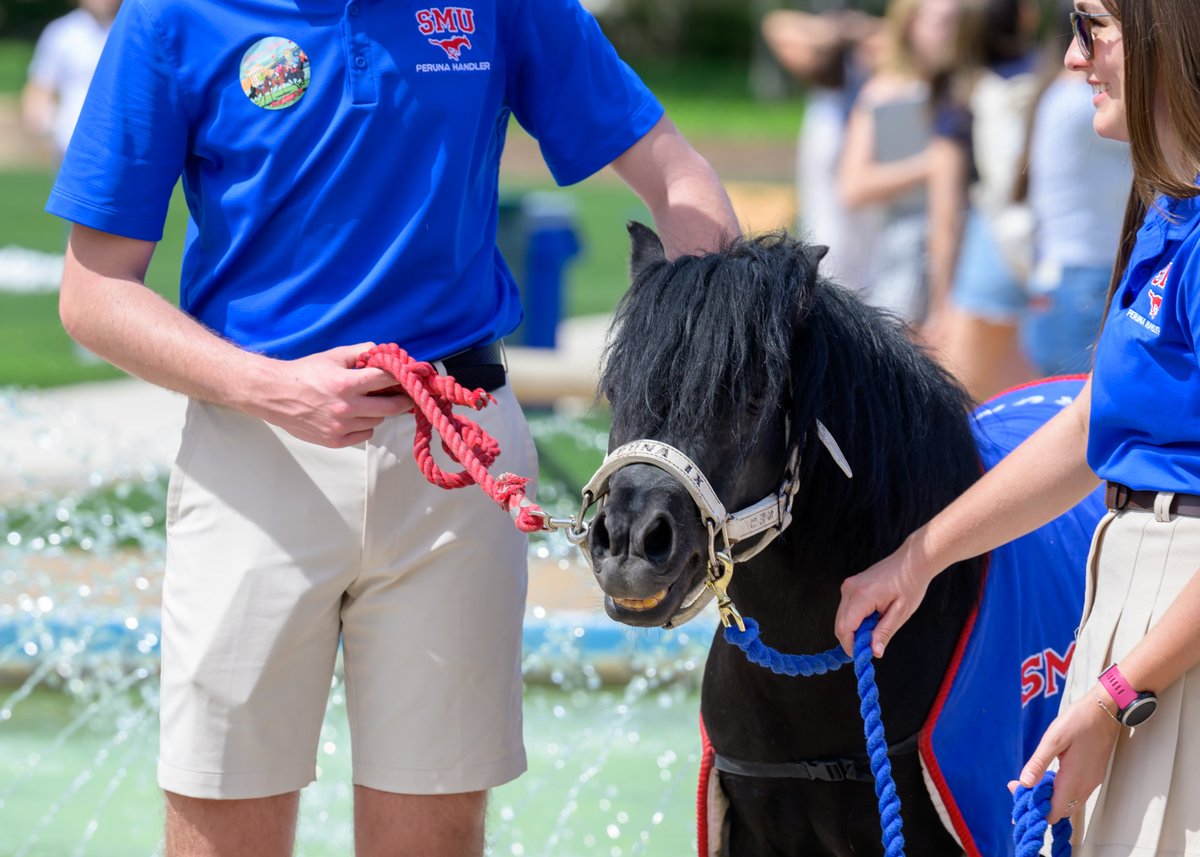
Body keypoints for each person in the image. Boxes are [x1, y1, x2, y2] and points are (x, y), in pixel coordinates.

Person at [47, 1, 740, 855]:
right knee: (220, 833)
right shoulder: (170, 16)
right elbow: (92, 293)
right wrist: (273, 388)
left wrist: (710, 363)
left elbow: (677, 178)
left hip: (459, 463)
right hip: (254, 460)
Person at [836, 1, 1200, 850]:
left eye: (1092, 26)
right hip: (1140, 620)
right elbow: (1085, 431)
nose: (1072, 59)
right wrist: (918, 558)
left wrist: (1118, 695)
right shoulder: (1165, 217)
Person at [926, 0, 1042, 399]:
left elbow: (944, 212)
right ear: (1025, 17)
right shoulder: (1050, 77)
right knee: (1035, 389)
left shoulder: (963, 92)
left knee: (956, 399)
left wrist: (940, 306)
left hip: (991, 246)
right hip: (1052, 248)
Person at [1016, 9, 1131, 376]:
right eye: (1088, 28)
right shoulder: (1082, 105)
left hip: (1061, 282)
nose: (1077, 55)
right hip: (1083, 281)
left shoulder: (1059, 96)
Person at [835, 0, 963, 325]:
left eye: (957, 22)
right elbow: (852, 186)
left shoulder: (968, 87)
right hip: (905, 254)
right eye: (940, 22)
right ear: (910, 26)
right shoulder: (884, 94)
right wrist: (931, 166)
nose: (950, 34)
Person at [761, 4, 883, 293]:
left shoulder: (872, 51)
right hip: (830, 172)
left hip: (868, 166)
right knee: (828, 249)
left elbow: (899, 40)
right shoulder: (826, 78)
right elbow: (777, 25)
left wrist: (853, 30)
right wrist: (834, 33)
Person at [20, 0, 122, 161]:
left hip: (123, 145)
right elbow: (40, 88)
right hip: (70, 145)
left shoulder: (134, 30)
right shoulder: (61, 32)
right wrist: (43, 122)